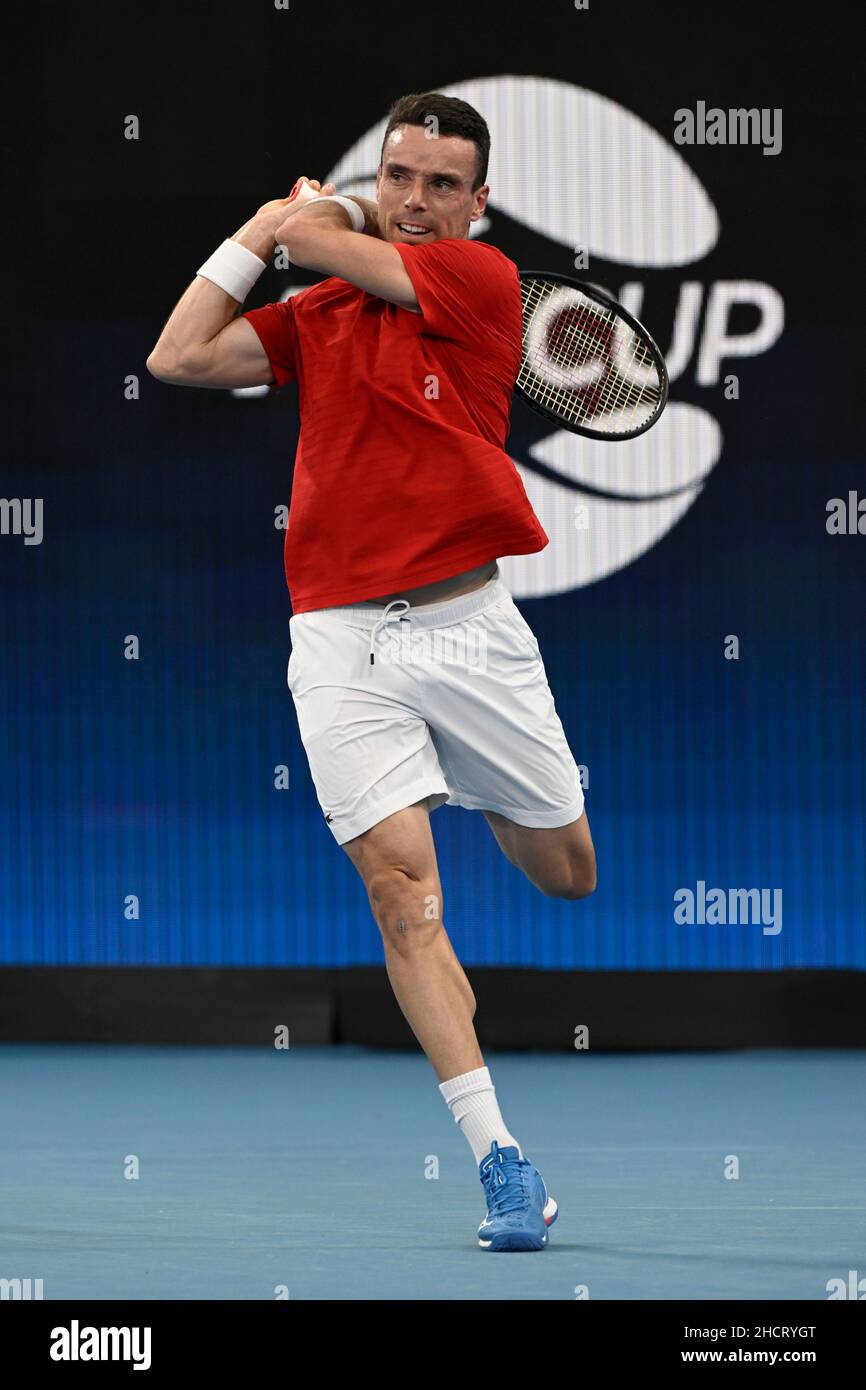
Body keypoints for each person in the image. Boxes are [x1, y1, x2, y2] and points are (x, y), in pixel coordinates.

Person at [147, 90, 596, 1252]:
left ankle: (489, 783)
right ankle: (502, 1160)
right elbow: (178, 352)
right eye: (399, 176)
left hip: (469, 634)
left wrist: (306, 224)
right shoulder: (323, 312)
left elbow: (327, 242)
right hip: (342, 644)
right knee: (402, 895)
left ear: (476, 204)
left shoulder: (484, 285)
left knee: (565, 873)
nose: (416, 200)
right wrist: (257, 229)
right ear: (379, 175)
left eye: (442, 184)